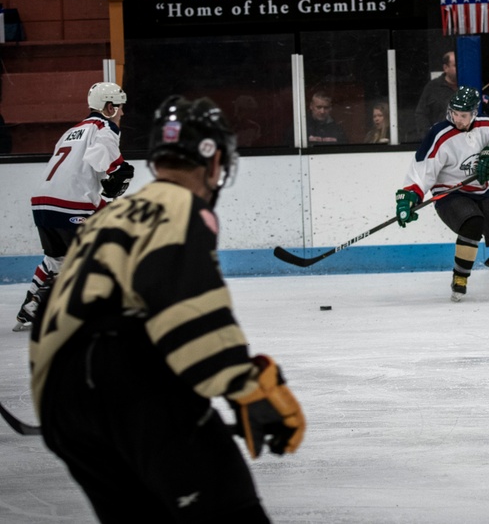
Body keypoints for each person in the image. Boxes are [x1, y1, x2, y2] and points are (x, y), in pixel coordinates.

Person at [28, 95, 305, 521]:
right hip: (124, 383)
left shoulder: (106, 217)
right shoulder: (178, 208)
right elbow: (187, 307)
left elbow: (52, 314)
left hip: (59, 407)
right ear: (214, 163)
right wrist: (244, 386)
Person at [395, 86, 489, 302]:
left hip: (481, 193)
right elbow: (422, 170)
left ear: (474, 113)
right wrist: (410, 196)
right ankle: (460, 277)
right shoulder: (439, 134)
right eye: (455, 114)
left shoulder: (487, 126)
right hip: (449, 195)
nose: (458, 119)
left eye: (464, 115)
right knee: (472, 223)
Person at [15, 82, 132, 332]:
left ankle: (32, 305)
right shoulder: (105, 126)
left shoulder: (72, 131)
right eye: (120, 107)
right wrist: (122, 170)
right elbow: (106, 162)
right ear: (109, 107)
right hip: (70, 203)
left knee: (56, 257)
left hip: (42, 203)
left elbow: (79, 173)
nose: (122, 113)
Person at [414, 51, 458, 137]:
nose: (460, 68)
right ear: (446, 68)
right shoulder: (433, 87)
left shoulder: (471, 85)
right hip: (441, 141)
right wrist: (428, 136)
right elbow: (421, 114)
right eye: (455, 65)